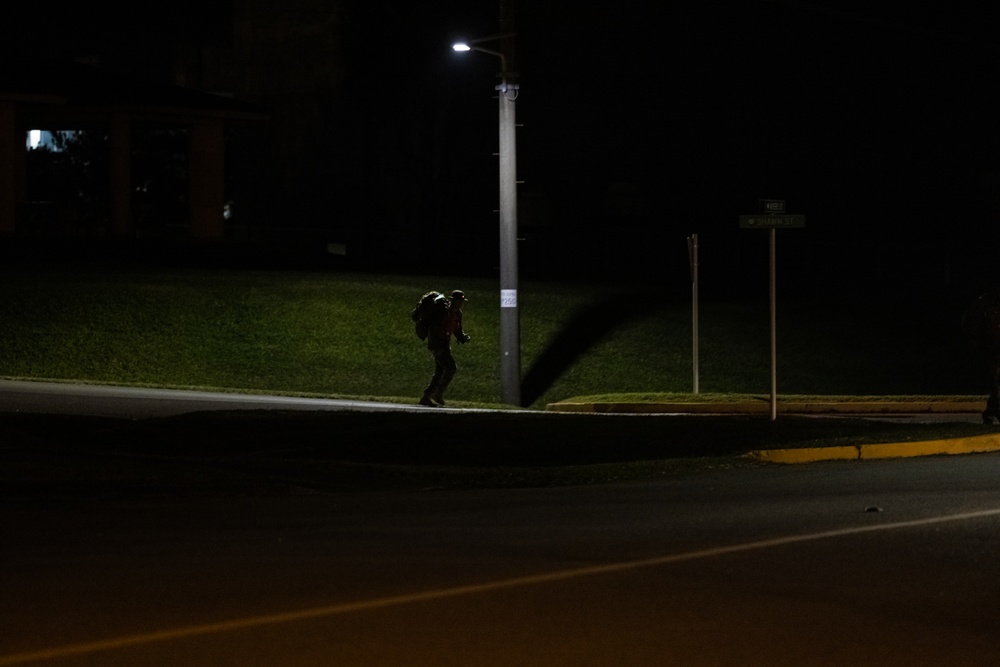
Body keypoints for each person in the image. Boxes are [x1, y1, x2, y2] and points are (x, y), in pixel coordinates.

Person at [420, 290, 471, 407]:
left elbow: (457, 329)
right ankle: (437, 393)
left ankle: (426, 396)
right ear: (453, 300)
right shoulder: (444, 312)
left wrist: (463, 337)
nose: (460, 303)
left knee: (440, 371)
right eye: (459, 301)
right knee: (451, 367)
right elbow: (433, 330)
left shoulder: (458, 314)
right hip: (438, 344)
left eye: (462, 301)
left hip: (445, 344)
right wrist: (434, 347)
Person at [963, 288, 1000, 423]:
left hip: (993, 347)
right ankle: (994, 411)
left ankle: (991, 411)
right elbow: (974, 327)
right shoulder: (986, 304)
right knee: (995, 382)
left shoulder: (987, 304)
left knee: (996, 382)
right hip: (992, 349)